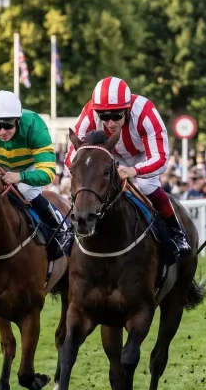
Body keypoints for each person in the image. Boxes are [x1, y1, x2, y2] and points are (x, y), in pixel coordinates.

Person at [65, 76, 191, 256]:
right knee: (87, 184)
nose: (110, 123)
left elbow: (160, 158)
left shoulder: (145, 112)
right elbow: (71, 156)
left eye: (116, 116)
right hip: (110, 157)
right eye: (104, 117)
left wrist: (134, 170)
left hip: (143, 156)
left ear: (127, 108)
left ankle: (176, 233)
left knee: (147, 185)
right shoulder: (89, 113)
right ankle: (72, 230)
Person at [0, 90, 70, 260]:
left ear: (17, 120)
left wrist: (20, 176)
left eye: (7, 125)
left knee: (27, 191)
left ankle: (59, 228)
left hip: (27, 166)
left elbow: (48, 173)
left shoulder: (34, 125)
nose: (2, 131)